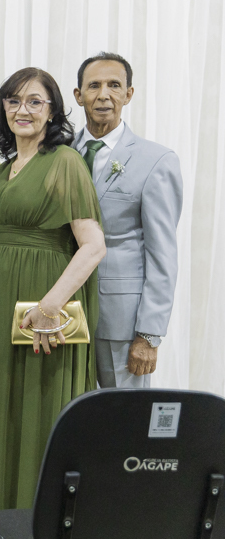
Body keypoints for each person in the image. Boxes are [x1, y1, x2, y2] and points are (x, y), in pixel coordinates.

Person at [0, 67, 106, 539]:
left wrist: (49, 307)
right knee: (3, 410)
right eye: (13, 101)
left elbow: (92, 246)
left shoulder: (65, 162)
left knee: (37, 413)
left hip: (43, 305)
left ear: (53, 111)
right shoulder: (4, 169)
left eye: (35, 102)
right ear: (2, 108)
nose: (23, 110)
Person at [72, 52, 182, 388]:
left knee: (122, 415)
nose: (103, 94)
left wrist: (149, 334)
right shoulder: (58, 153)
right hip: (62, 311)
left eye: (114, 85)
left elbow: (162, 255)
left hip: (121, 322)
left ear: (128, 94)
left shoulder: (156, 160)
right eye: (94, 85)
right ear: (78, 95)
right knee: (65, 412)